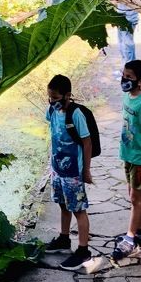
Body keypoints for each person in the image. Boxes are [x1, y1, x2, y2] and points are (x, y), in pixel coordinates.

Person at [43, 74, 93, 269]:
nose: (52, 101)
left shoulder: (76, 114)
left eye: (55, 98)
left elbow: (87, 142)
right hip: (57, 169)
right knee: (63, 205)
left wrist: (86, 170)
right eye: (49, 97)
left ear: (67, 95)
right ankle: (64, 239)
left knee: (78, 209)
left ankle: (83, 251)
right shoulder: (53, 111)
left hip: (73, 172)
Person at [112, 58, 141, 261]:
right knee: (133, 195)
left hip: (140, 158)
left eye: (129, 77)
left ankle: (129, 239)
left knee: (134, 199)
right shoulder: (128, 98)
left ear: (140, 81)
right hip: (129, 155)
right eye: (124, 74)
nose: (124, 79)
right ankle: (139, 233)